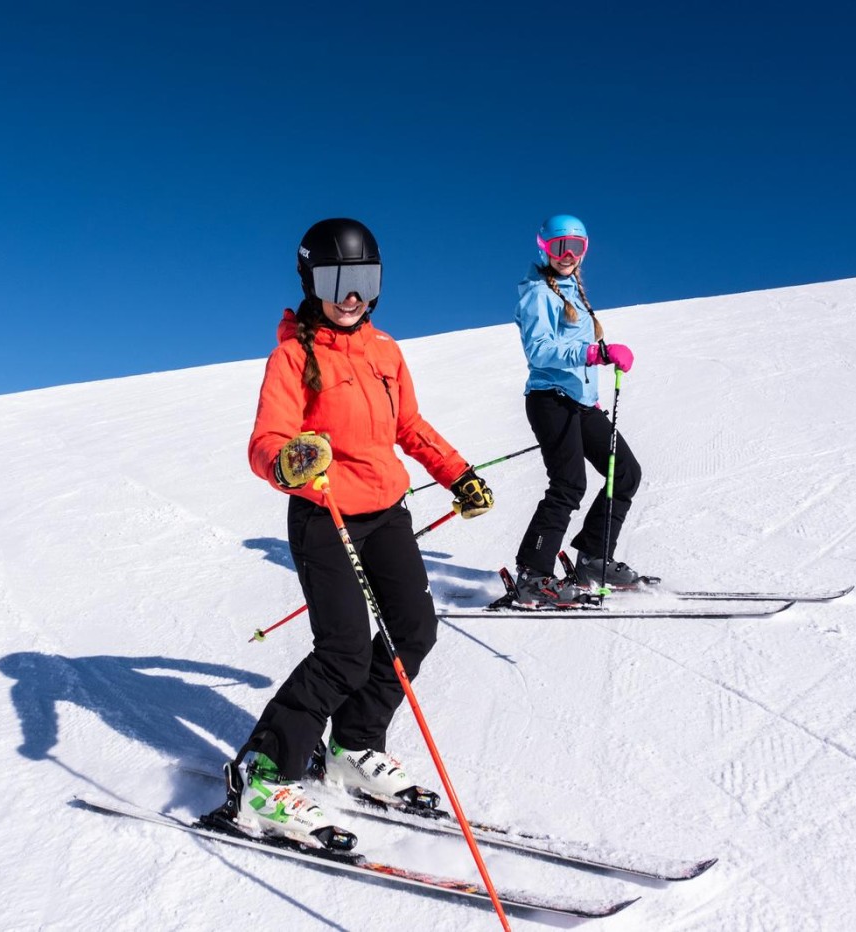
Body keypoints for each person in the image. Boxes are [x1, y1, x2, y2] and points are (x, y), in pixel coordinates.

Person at [229, 217, 494, 846]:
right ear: (311, 279)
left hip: (386, 510)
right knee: (344, 651)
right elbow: (266, 440)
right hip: (325, 514)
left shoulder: (385, 352)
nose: (353, 294)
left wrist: (456, 473)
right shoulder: (294, 355)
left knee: (413, 630)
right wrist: (289, 461)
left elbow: (409, 426)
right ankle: (266, 772)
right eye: (337, 278)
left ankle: (353, 744)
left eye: (365, 279)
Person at [513, 214, 642, 604]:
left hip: (581, 403)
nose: (566, 255)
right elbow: (539, 350)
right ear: (544, 248)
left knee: (625, 473)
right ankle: (533, 575)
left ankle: (593, 558)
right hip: (549, 400)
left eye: (575, 248)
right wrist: (594, 353)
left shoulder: (572, 291)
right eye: (558, 247)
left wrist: (592, 391)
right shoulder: (537, 292)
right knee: (568, 485)